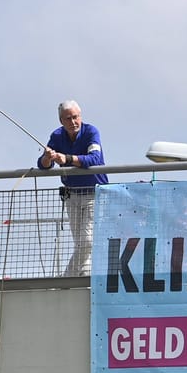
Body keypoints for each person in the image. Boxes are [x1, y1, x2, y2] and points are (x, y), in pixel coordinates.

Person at [37, 100, 106, 276]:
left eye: (75, 117)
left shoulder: (91, 132)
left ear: (80, 117)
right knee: (80, 243)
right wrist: (48, 157)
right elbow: (43, 165)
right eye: (68, 118)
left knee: (88, 241)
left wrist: (67, 158)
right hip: (72, 196)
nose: (73, 122)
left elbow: (94, 159)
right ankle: (84, 276)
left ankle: (67, 278)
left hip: (93, 193)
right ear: (61, 121)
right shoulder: (57, 136)